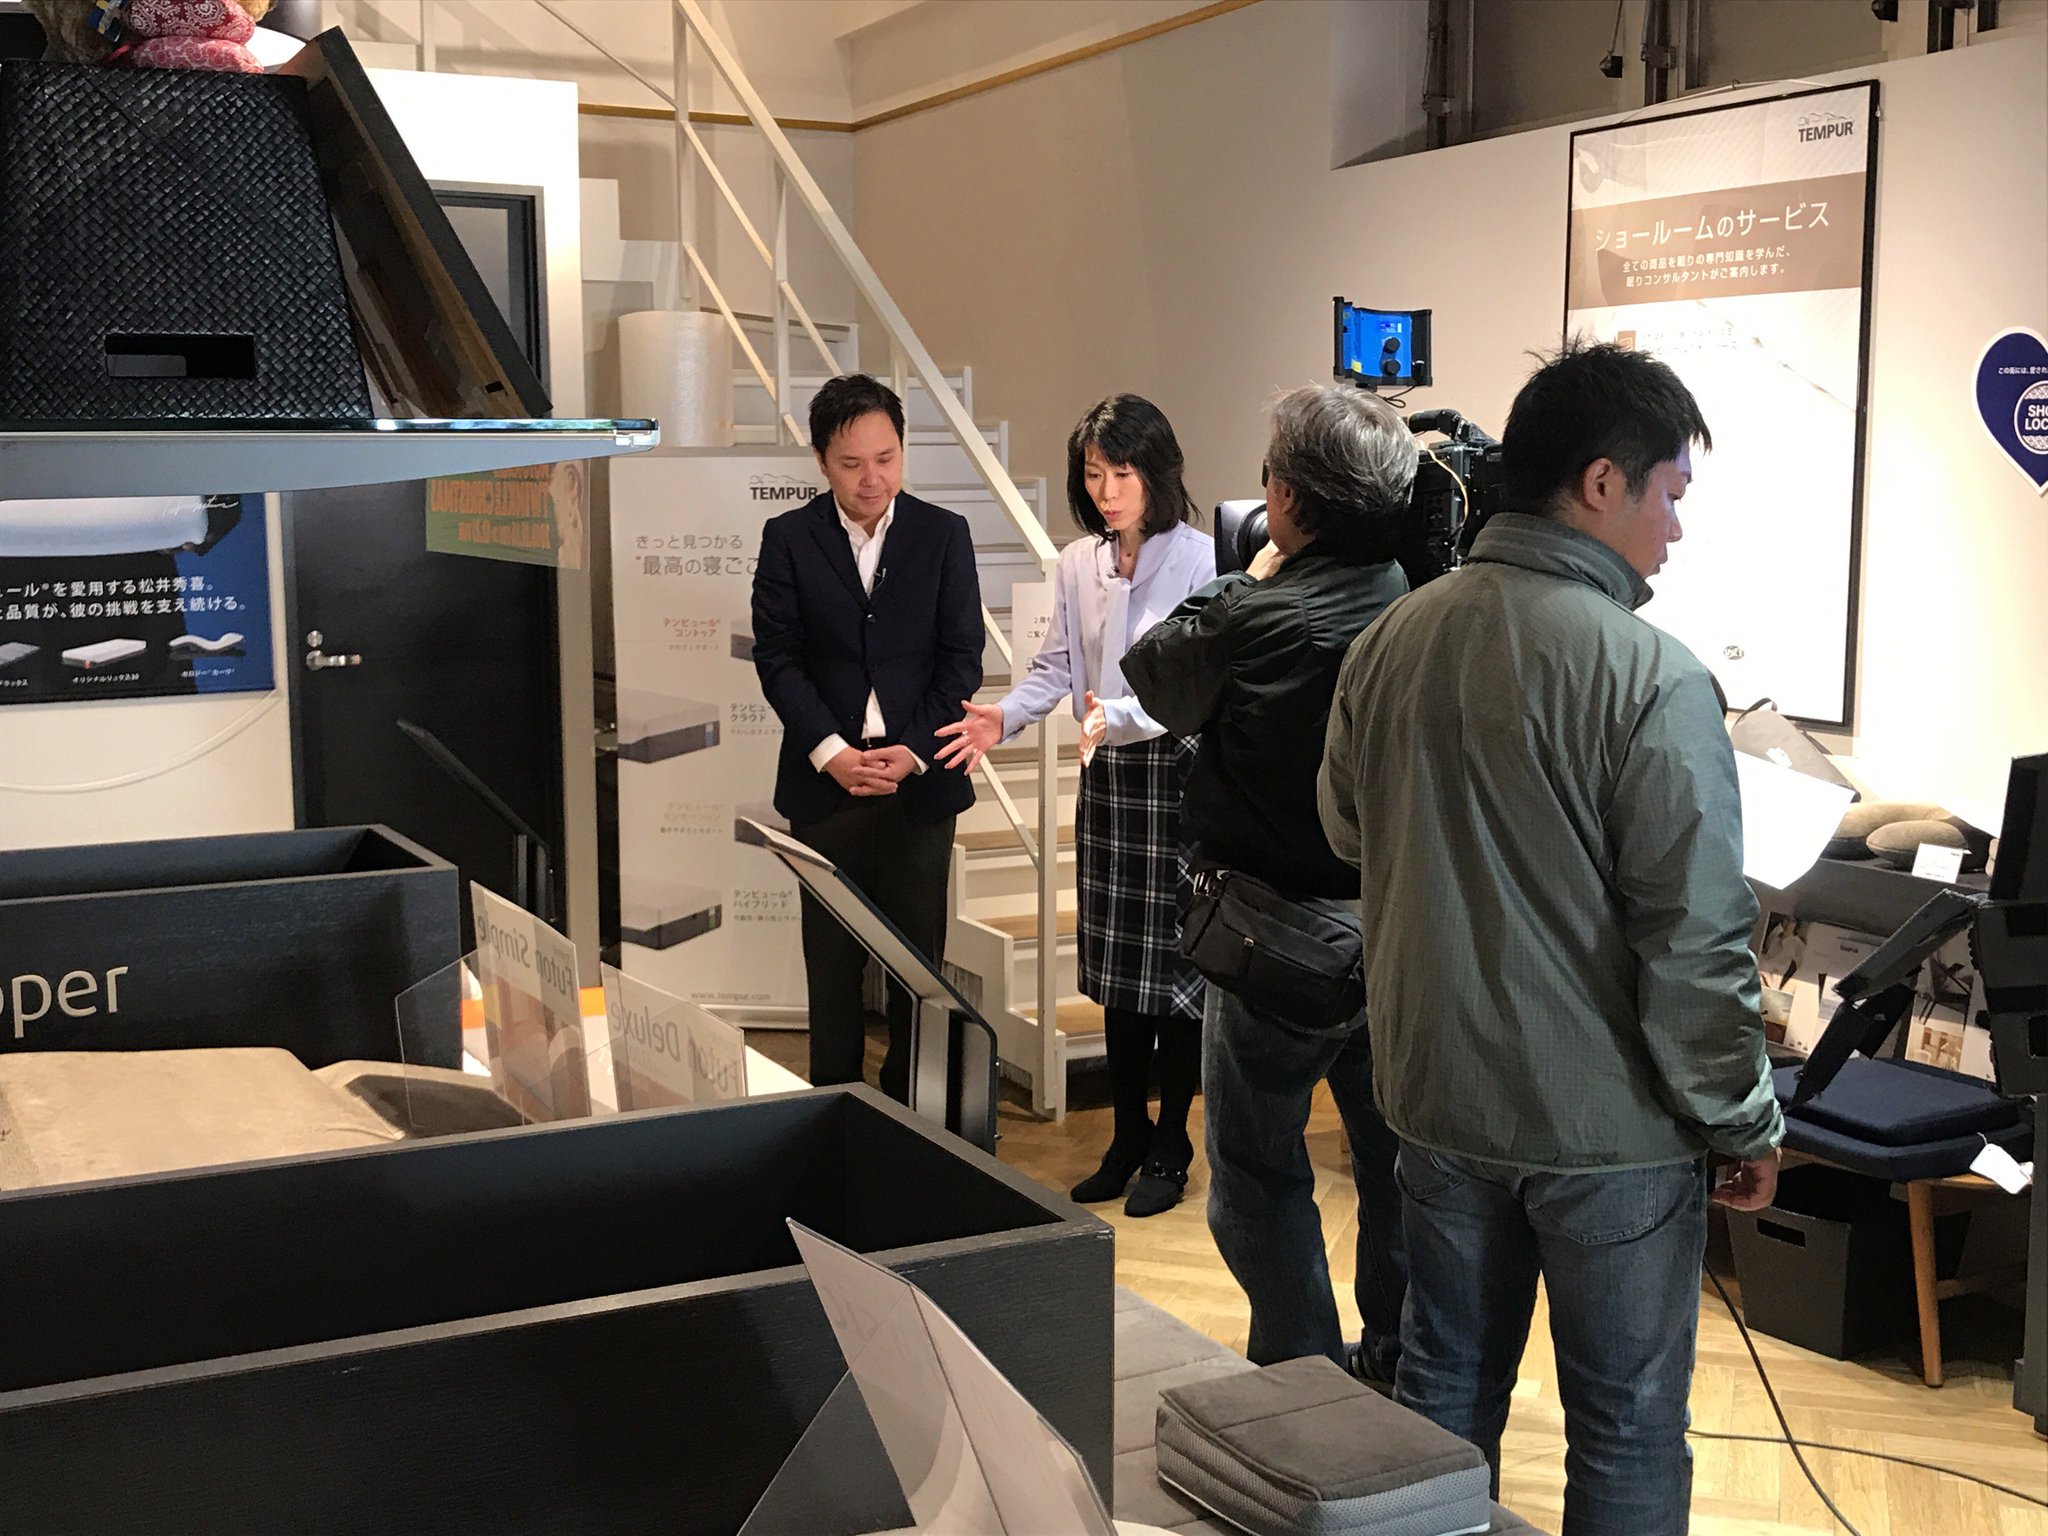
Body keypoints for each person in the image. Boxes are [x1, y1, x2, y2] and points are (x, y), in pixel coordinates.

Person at [1318, 341, 1782, 1536]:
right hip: (1607, 1132)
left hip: (1434, 1099)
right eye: (1667, 493)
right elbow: (1695, 941)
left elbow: (1345, 830)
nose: (1673, 528)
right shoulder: (1652, 678)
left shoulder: (1389, 640)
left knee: (1439, 1393)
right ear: (1598, 483)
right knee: (1623, 1428)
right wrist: (1738, 1118)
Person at [1123, 384, 1412, 1376]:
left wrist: (1245, 577)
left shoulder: (1259, 614)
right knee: (1393, 1162)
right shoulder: (1414, 600)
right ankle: (1393, 1360)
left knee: (1252, 1172)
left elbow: (1155, 676)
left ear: (1287, 497)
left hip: (1275, 938)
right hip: (1399, 935)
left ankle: (1301, 1377)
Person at [936, 395, 1215, 1217]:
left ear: (1156, 471)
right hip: (1110, 782)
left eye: (1121, 473)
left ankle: (1172, 1142)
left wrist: (1116, 716)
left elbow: (1196, 685)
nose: (1106, 491)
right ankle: (1126, 1135)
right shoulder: (1077, 562)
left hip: (1176, 775)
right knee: (1118, 977)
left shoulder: (1201, 560)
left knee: (1178, 977)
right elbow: (1057, 667)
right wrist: (1004, 715)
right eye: (1093, 474)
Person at [751, 374, 982, 1101]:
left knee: (918, 969)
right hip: (827, 787)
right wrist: (834, 753)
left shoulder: (944, 535)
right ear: (822, 461)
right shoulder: (789, 538)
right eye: (851, 463)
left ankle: (914, 1114)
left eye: (886, 458)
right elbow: (778, 659)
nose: (871, 478)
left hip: (920, 787)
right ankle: (834, 1108)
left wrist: (911, 752)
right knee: (831, 968)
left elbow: (961, 660)